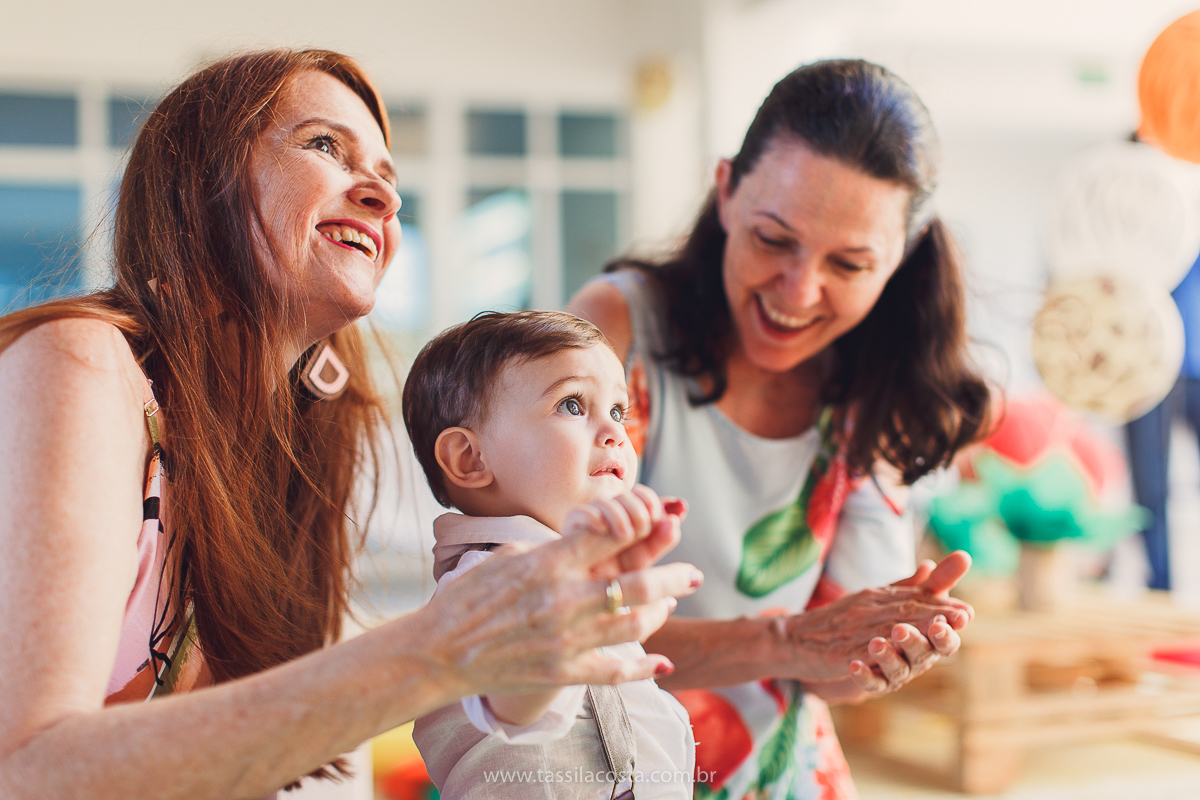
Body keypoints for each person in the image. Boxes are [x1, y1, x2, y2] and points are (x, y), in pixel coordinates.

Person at [0, 48, 972, 799]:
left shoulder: (304, 423)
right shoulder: (85, 360)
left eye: (385, 169)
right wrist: (438, 651)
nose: (383, 191)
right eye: (324, 146)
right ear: (197, 180)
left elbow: (276, 748)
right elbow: (28, 765)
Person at [569, 59, 991, 799]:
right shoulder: (618, 330)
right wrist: (787, 642)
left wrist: (882, 648)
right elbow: (562, 622)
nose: (798, 291)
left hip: (777, 775)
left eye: (849, 264)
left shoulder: (875, 389)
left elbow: (831, 676)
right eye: (773, 240)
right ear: (726, 191)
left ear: (899, 257)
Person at [403, 310, 697, 799]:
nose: (615, 433)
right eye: (572, 405)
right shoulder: (481, 586)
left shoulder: (590, 583)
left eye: (618, 411)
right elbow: (513, 699)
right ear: (470, 459)